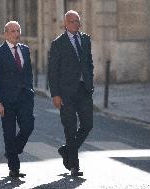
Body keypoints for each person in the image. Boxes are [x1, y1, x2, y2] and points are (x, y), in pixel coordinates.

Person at [48, 10, 94, 177]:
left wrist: (91, 83)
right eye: (73, 21)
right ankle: (74, 165)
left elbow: (89, 63)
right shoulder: (58, 43)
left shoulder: (86, 39)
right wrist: (55, 94)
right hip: (65, 93)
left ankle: (66, 150)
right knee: (70, 128)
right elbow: (52, 71)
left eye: (78, 21)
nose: (76, 24)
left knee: (88, 124)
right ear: (65, 24)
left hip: (84, 90)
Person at [0, 21, 34, 178]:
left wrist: (30, 89)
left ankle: (12, 151)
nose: (17, 33)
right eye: (13, 31)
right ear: (6, 33)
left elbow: (28, 72)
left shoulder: (25, 50)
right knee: (8, 133)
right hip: (7, 100)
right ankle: (14, 168)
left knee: (28, 126)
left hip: (25, 97)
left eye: (18, 30)